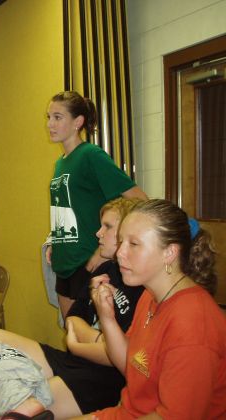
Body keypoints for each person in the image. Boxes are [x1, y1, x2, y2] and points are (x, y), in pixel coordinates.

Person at [0, 198, 144, 419]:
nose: (98, 233)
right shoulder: (106, 269)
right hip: (74, 361)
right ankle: (26, 395)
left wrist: (78, 343)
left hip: (101, 379)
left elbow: (118, 356)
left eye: (107, 226)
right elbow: (72, 318)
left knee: (14, 407)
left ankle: (24, 400)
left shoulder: (140, 285)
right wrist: (94, 341)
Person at [77, 199, 226, 419]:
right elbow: (134, 367)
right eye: (120, 242)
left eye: (134, 244)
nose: (119, 253)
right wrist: (106, 318)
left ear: (169, 253)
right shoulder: (151, 294)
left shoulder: (193, 323)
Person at [45, 91, 147, 318]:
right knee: (72, 334)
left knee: (89, 339)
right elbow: (69, 208)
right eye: (49, 117)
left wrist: (104, 252)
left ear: (77, 122)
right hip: (65, 261)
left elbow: (139, 200)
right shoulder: (60, 164)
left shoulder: (91, 155)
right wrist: (56, 239)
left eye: (58, 117)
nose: (50, 124)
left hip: (88, 261)